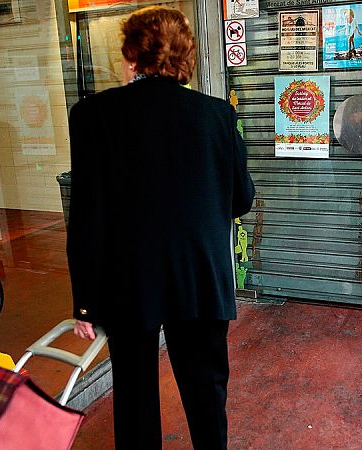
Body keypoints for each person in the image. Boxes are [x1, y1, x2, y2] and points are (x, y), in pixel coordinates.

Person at [66, 6, 255, 449]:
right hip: (200, 276)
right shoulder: (217, 116)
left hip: (129, 279)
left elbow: (87, 215)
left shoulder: (93, 116)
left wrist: (85, 303)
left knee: (132, 395)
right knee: (206, 389)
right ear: (186, 56)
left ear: (131, 54)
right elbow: (240, 200)